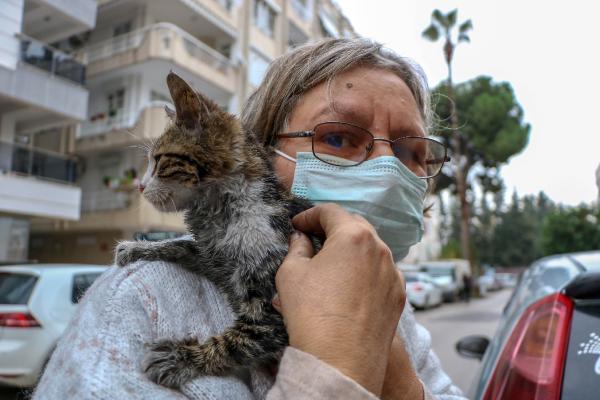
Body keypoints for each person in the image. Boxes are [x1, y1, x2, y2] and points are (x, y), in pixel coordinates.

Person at [34, 39, 466, 399]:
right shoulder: (144, 302)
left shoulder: (393, 302)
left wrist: (403, 386)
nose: (387, 170)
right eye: (337, 137)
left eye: (412, 152)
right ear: (259, 151)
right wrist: (338, 370)